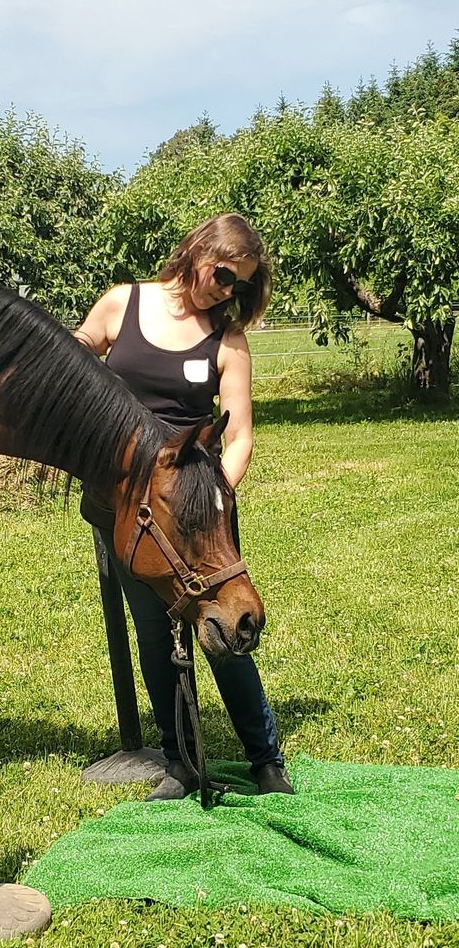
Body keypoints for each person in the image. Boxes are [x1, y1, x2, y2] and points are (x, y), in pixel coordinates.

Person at [74, 213, 293, 800]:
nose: (228, 291)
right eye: (224, 275)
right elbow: (74, 355)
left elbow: (240, 433)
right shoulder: (123, 304)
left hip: (197, 508)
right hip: (123, 509)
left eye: (240, 286)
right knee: (153, 634)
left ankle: (264, 758)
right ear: (198, 253)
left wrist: (209, 495)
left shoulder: (229, 340)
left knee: (223, 631)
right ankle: (179, 761)